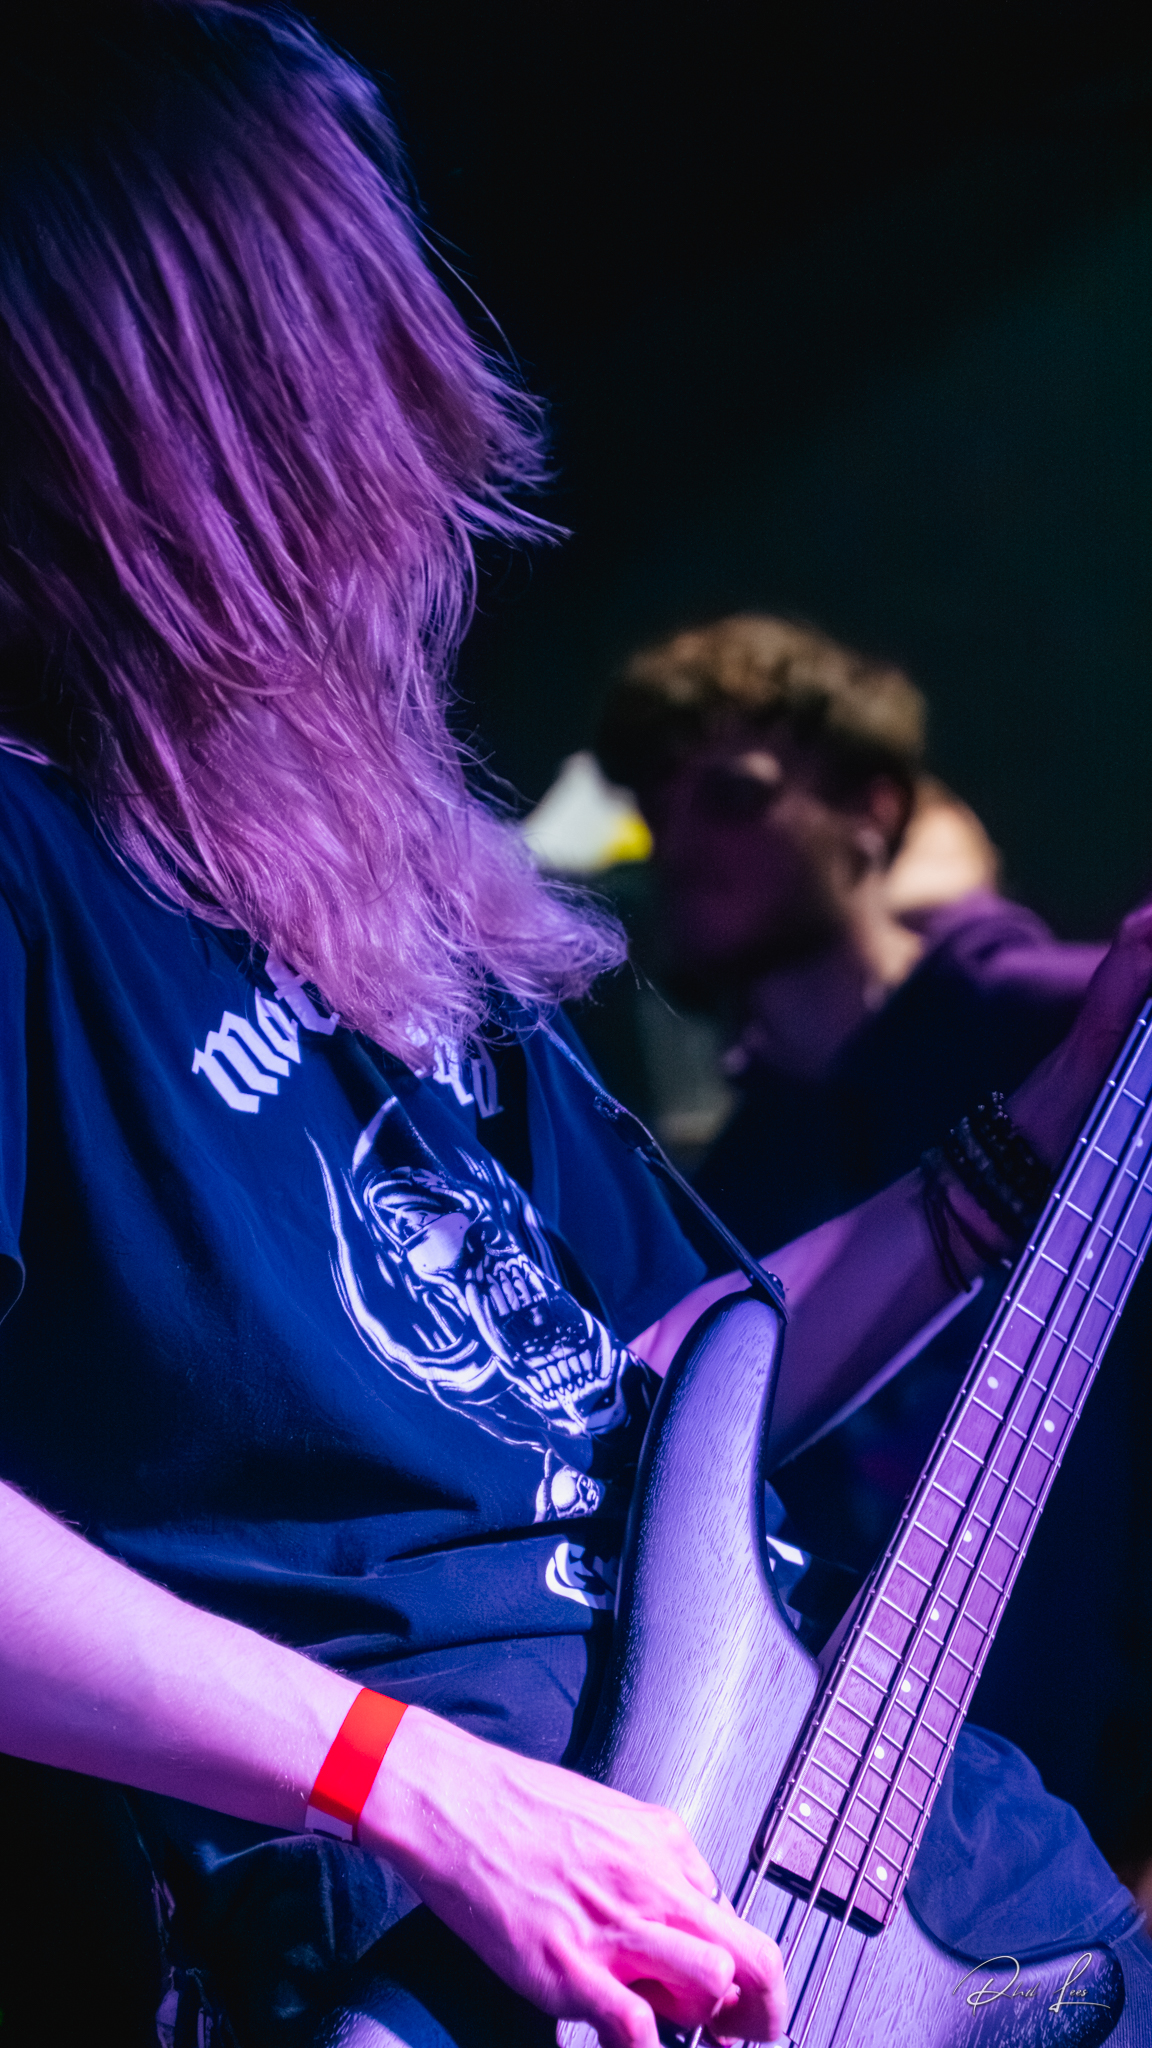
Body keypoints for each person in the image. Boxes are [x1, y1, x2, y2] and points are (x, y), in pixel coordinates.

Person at [2, 12, 1151, 2048]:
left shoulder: (371, 891)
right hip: (474, 1937)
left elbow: (647, 1391)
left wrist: (1037, 1134)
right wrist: (408, 1783)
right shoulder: (27, 867)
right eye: (349, 283)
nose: (417, 357)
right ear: (212, 370)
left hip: (905, 1860)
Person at [595, 612, 1150, 1858]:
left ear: (872, 811)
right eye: (655, 807)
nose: (681, 842)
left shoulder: (1065, 1020)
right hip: (912, 1830)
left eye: (732, 794)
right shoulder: (721, 1184)